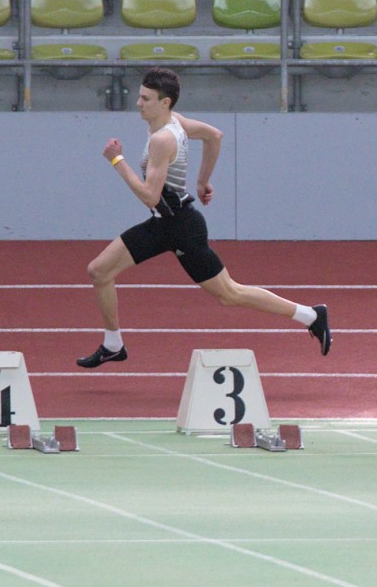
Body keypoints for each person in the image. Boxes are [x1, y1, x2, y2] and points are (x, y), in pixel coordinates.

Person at [78, 68, 331, 367]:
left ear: (165, 102)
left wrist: (117, 160)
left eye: (146, 99)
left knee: (229, 294)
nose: (138, 103)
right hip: (162, 224)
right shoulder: (176, 121)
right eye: (140, 96)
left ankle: (311, 315)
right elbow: (214, 136)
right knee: (99, 271)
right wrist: (203, 180)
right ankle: (113, 344)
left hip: (182, 228)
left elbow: (150, 196)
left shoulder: (163, 139)